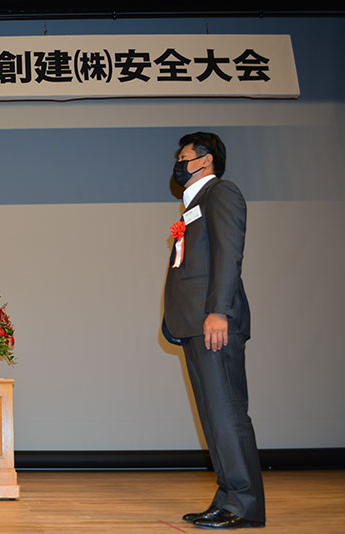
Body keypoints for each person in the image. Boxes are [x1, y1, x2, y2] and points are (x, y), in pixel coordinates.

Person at [162, 132, 265, 529]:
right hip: (194, 325)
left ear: (205, 161)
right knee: (213, 416)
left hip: (213, 323)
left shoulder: (220, 194)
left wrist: (219, 311)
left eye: (184, 157)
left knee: (227, 413)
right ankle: (227, 498)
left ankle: (244, 505)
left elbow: (228, 254)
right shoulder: (195, 205)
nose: (178, 163)